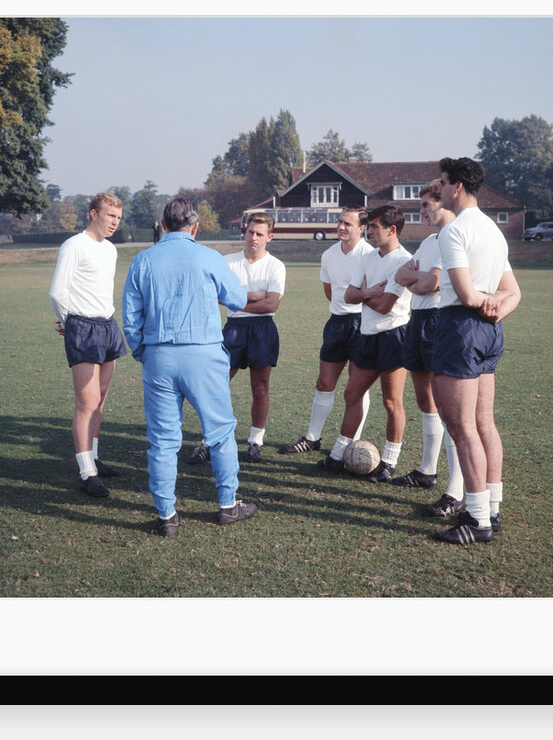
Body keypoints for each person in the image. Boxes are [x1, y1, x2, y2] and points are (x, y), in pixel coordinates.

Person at [121, 197, 258, 537]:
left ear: (162, 224)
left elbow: (130, 317)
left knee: (163, 439)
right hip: (204, 355)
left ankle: (166, 515)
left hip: (158, 356)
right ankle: (228, 505)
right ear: (195, 227)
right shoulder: (209, 257)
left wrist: (142, 351)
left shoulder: (142, 260)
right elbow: (238, 299)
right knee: (221, 432)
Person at [430, 157, 521, 545]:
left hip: (460, 328)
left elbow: (466, 295)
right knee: (484, 423)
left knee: (462, 427)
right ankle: (492, 509)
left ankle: (478, 519)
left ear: (458, 186)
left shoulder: (454, 231)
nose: (439, 189)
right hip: (489, 330)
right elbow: (514, 293)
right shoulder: (495, 232)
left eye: (443, 182)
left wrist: (485, 302)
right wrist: (496, 306)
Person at [318, 205, 412, 482]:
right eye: (368, 226)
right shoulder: (369, 257)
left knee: (391, 402)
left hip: (393, 336)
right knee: (352, 394)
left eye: (374, 227)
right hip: (367, 335)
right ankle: (339, 454)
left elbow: (384, 306)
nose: (369, 231)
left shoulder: (404, 261)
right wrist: (370, 292)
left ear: (391, 230)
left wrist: (364, 294)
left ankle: (389, 462)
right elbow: (348, 296)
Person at [186, 212, 286, 465]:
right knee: (217, 386)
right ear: (245, 231)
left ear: (269, 237)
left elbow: (271, 304)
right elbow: (215, 296)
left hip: (263, 330)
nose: (254, 237)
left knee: (260, 388)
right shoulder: (228, 261)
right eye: (251, 232)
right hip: (233, 329)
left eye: (260, 234)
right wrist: (252, 295)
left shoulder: (275, 265)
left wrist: (236, 298)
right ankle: (209, 441)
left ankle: (255, 442)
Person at [389, 180, 464, 507]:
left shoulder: (454, 237)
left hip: (438, 320)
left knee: (449, 408)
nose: (420, 211)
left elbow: (431, 283)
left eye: (425, 205)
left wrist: (418, 279)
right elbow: (400, 276)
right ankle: (427, 470)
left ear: (443, 202)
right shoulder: (429, 241)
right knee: (425, 401)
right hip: (416, 320)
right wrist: (417, 279)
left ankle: (456, 489)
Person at [49, 192, 127, 498]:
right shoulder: (74, 245)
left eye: (118, 218)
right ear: (93, 214)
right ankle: (87, 473)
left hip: (108, 326)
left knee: (101, 400)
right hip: (83, 328)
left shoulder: (110, 250)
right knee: (87, 402)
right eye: (109, 216)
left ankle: (94, 459)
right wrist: (69, 322)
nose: (114, 222)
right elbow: (58, 292)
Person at [280, 206, 374, 455]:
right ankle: (312, 438)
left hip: (362, 323)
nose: (341, 227)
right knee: (324, 382)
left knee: (357, 387)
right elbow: (330, 292)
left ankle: (353, 442)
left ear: (361, 228)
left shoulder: (370, 255)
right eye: (340, 221)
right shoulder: (329, 254)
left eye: (347, 223)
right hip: (336, 323)